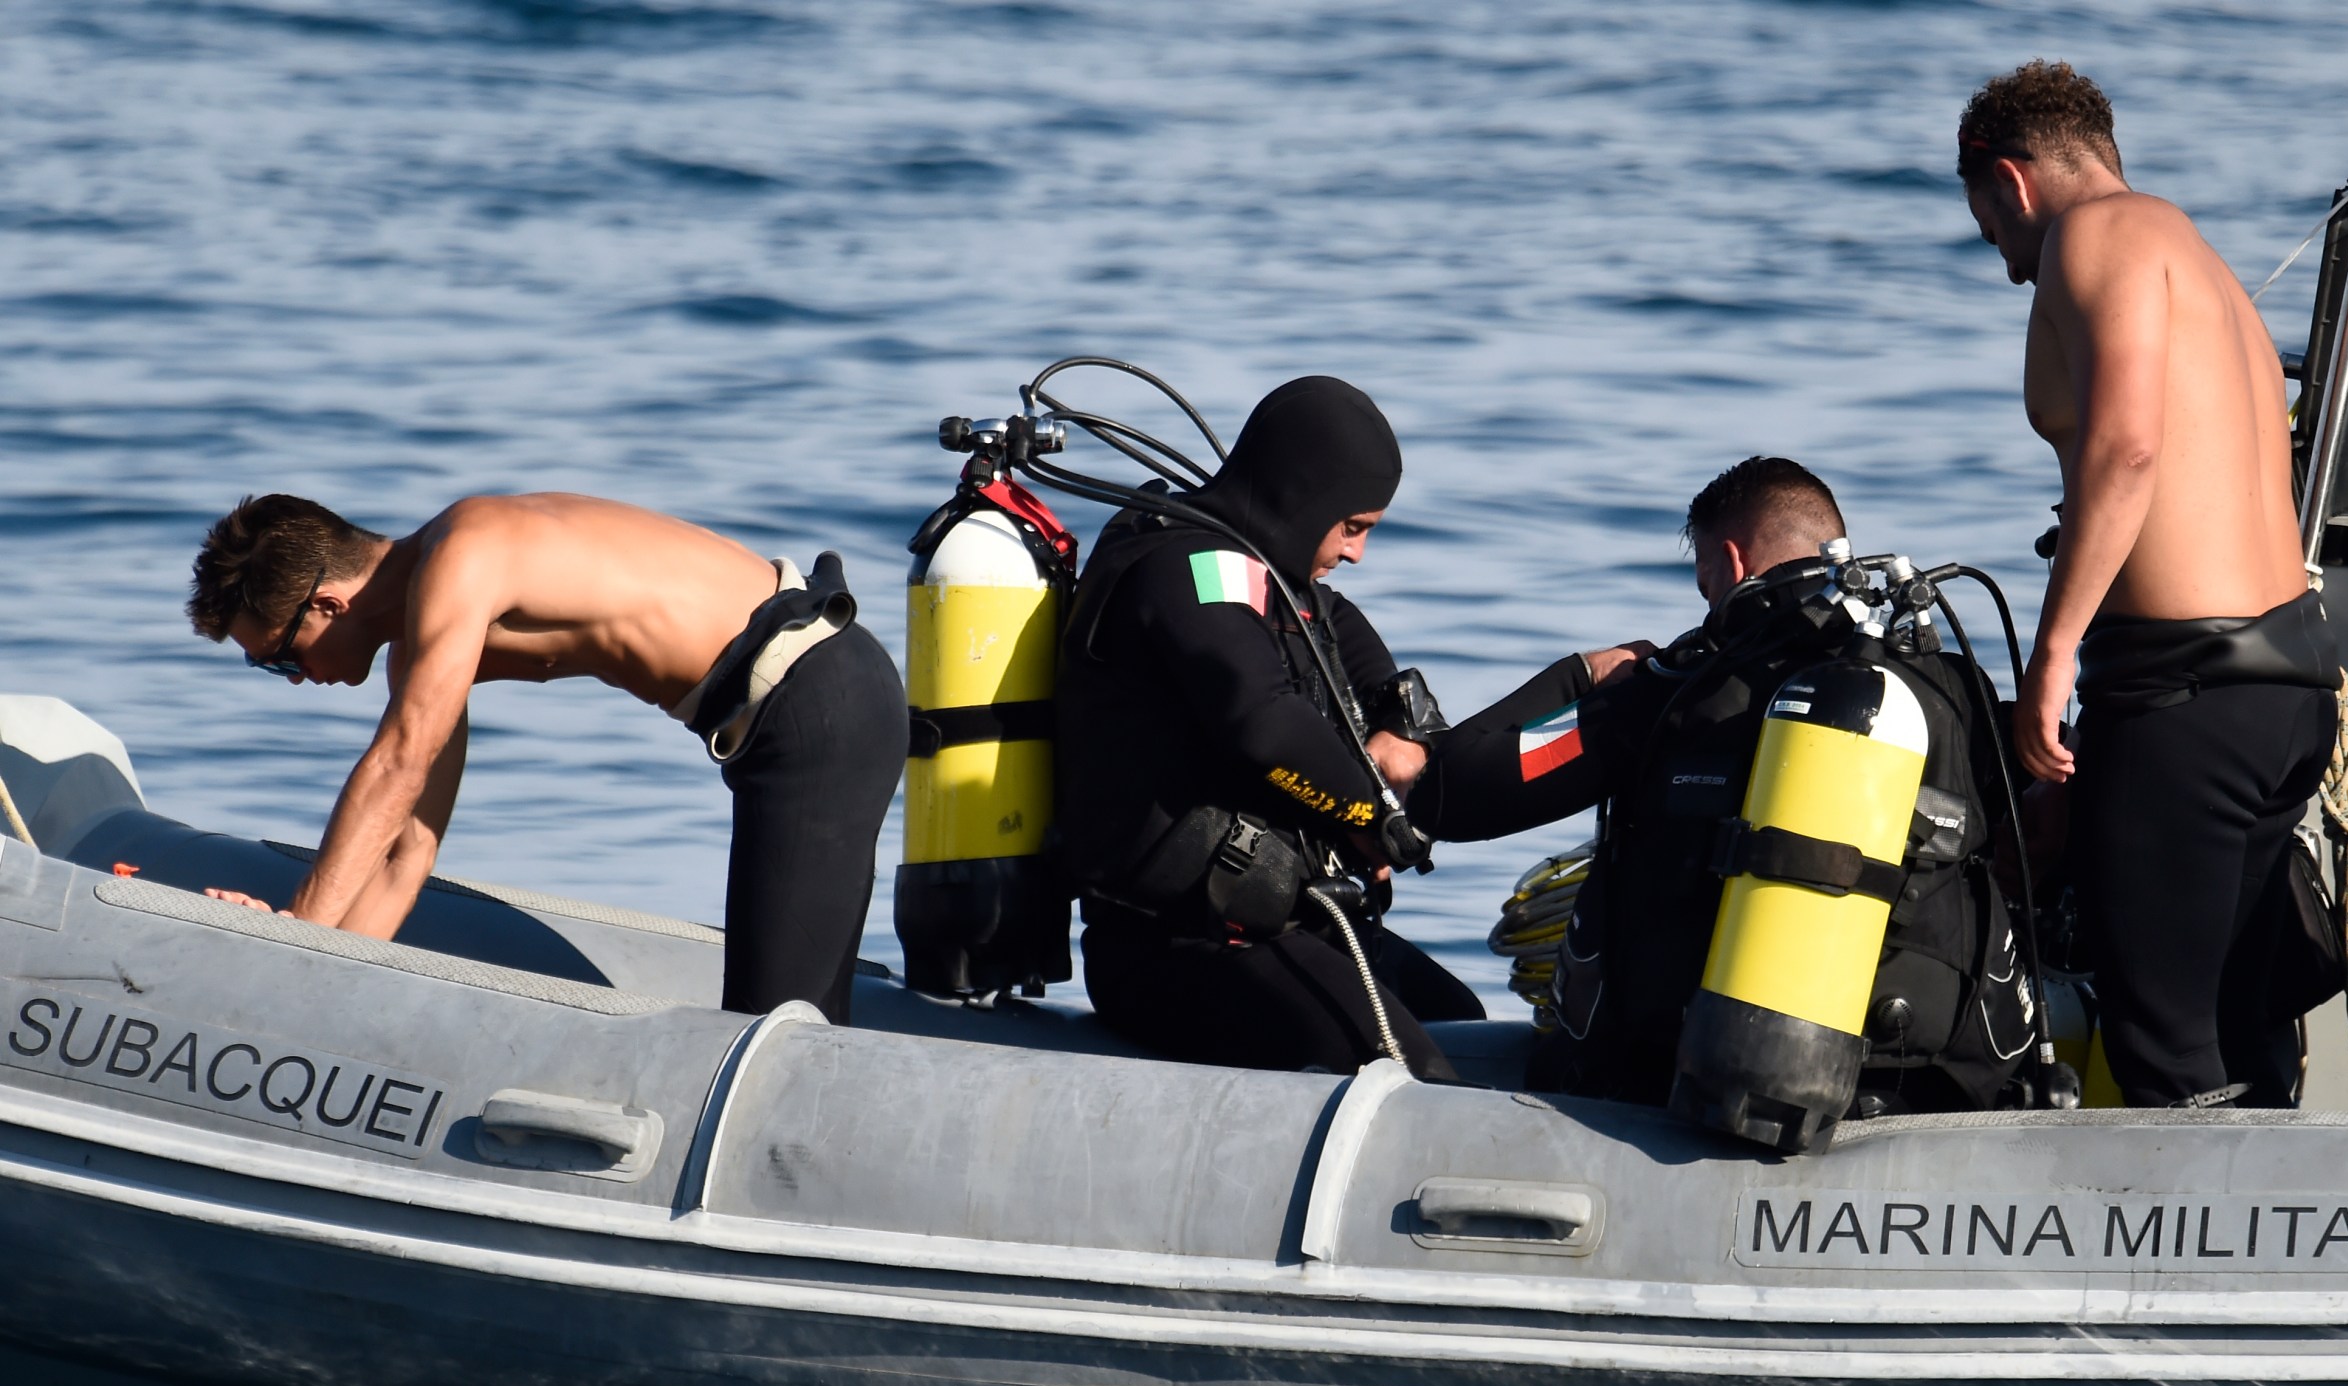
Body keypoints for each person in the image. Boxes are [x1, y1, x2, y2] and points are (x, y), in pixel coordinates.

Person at [1410, 458, 2032, 1111]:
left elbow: (1447, 792)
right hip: (1928, 1079)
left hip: (1696, 1079)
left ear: (1731, 564)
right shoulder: (1952, 688)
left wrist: (1581, 678)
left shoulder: (1678, 691)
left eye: (1705, 585)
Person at [1958, 61, 2340, 1106]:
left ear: (2012, 181)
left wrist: (2050, 660)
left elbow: (2127, 452)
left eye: (1991, 230)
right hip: (2285, 684)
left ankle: (2195, 1269)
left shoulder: (2097, 237)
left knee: (2159, 1040)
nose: (2005, 267)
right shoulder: (2198, 261)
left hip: (2187, 695)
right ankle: (2288, 1249)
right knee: (2237, 1022)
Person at [184, 492, 905, 1024]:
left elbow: (400, 761)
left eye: (280, 659)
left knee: (776, 1025)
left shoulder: (464, 554)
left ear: (329, 604)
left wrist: (288, 937)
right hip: (790, 714)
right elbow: (406, 853)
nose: (298, 679)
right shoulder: (421, 644)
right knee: (774, 1009)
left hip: (819, 698)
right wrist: (313, 974)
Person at [1056, 376, 1484, 1080]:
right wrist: (1373, 819)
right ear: (1303, 496)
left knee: (1457, 1017)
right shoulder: (1183, 571)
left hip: (1280, 925)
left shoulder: (1258, 572)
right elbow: (1263, 725)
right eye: (1354, 527)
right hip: (1175, 951)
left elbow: (1337, 625)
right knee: (1421, 1081)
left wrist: (1397, 722)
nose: (1357, 553)